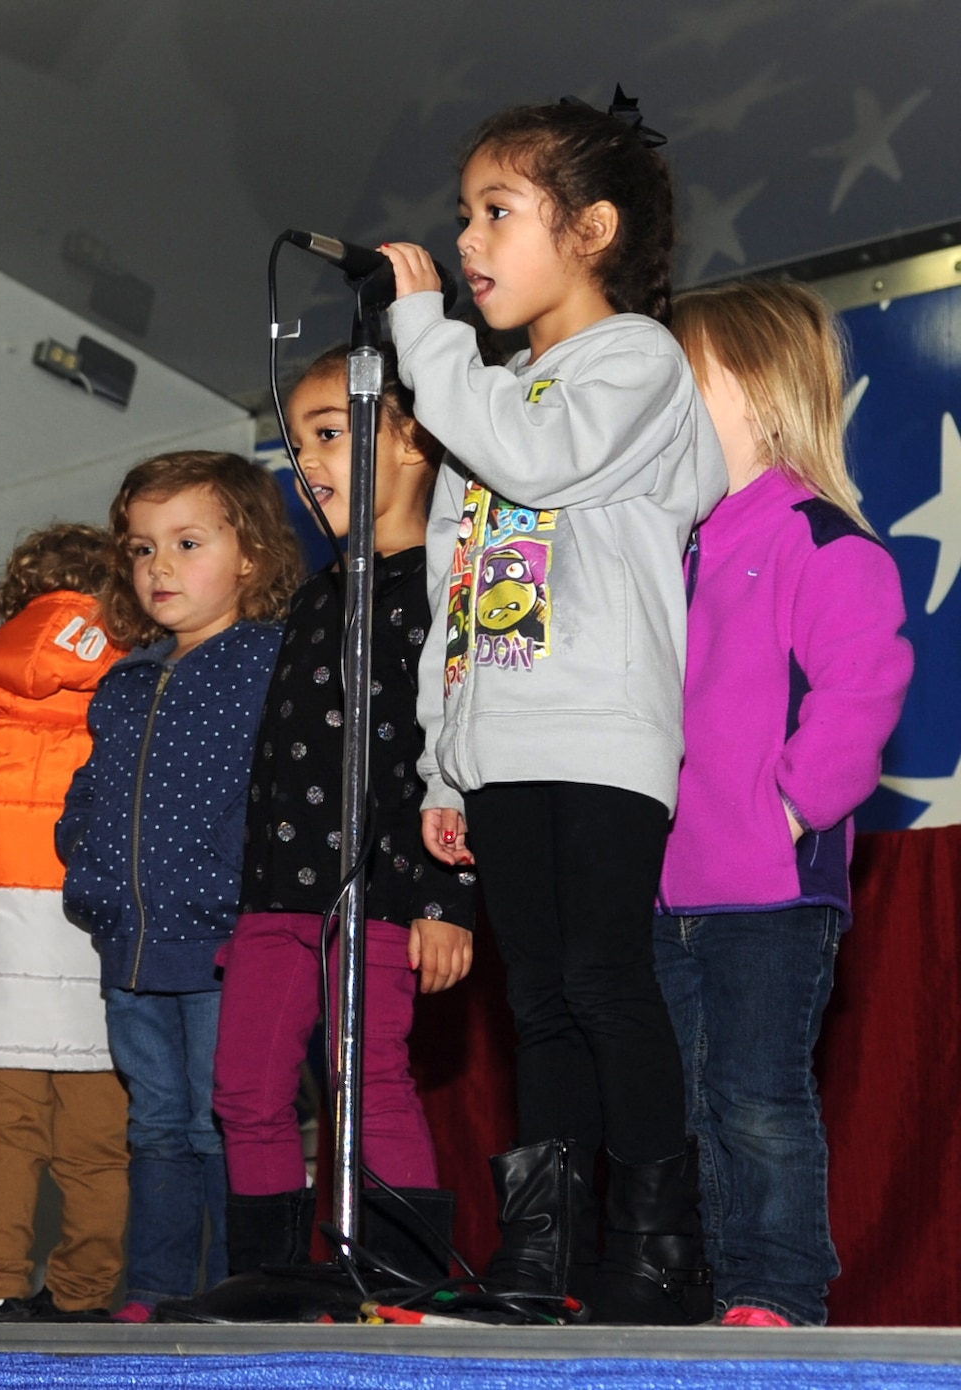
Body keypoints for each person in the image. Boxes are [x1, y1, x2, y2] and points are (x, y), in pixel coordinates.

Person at [378, 91, 727, 1322]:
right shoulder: (484, 402)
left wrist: (424, 335)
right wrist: (439, 766)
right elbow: (454, 602)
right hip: (502, 745)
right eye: (460, 214)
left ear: (589, 230)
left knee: (602, 982)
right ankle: (544, 1258)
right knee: (535, 1001)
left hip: (600, 731)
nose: (465, 239)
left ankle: (653, 1254)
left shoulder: (630, 362)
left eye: (495, 211)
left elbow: (533, 456)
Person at [657, 281, 912, 1327]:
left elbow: (862, 688)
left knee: (757, 1099)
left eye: (683, 380)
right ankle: (716, 1287)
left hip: (768, 887)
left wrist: (791, 810)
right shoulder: (670, 547)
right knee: (683, 1101)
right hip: (662, 888)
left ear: (758, 392)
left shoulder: (822, 540)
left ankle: (775, 1289)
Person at [211, 346, 477, 1285]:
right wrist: (246, 904)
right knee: (244, 1087)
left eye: (330, 434)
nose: (307, 462)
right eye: (298, 442)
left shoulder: (451, 591)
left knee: (367, 1079)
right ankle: (272, 1278)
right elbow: (278, 765)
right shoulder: (318, 597)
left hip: (387, 890)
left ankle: (405, 1278)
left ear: (411, 439)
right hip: (279, 896)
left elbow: (457, 761)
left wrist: (445, 900)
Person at [59, 452, 303, 1322]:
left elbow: (288, 796)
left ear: (251, 556)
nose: (159, 566)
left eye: (187, 542)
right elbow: (90, 792)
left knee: (222, 1122)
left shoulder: (271, 661)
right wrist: (84, 867)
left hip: (226, 943)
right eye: (140, 548)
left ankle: (238, 1290)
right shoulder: (125, 678)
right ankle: (158, 1288)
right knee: (155, 1127)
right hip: (129, 942)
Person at [0, 523, 131, 1323]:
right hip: (97, 960)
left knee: (4, 1134)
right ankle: (84, 1301)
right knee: (98, 1145)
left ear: (13, 613)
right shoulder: (134, 719)